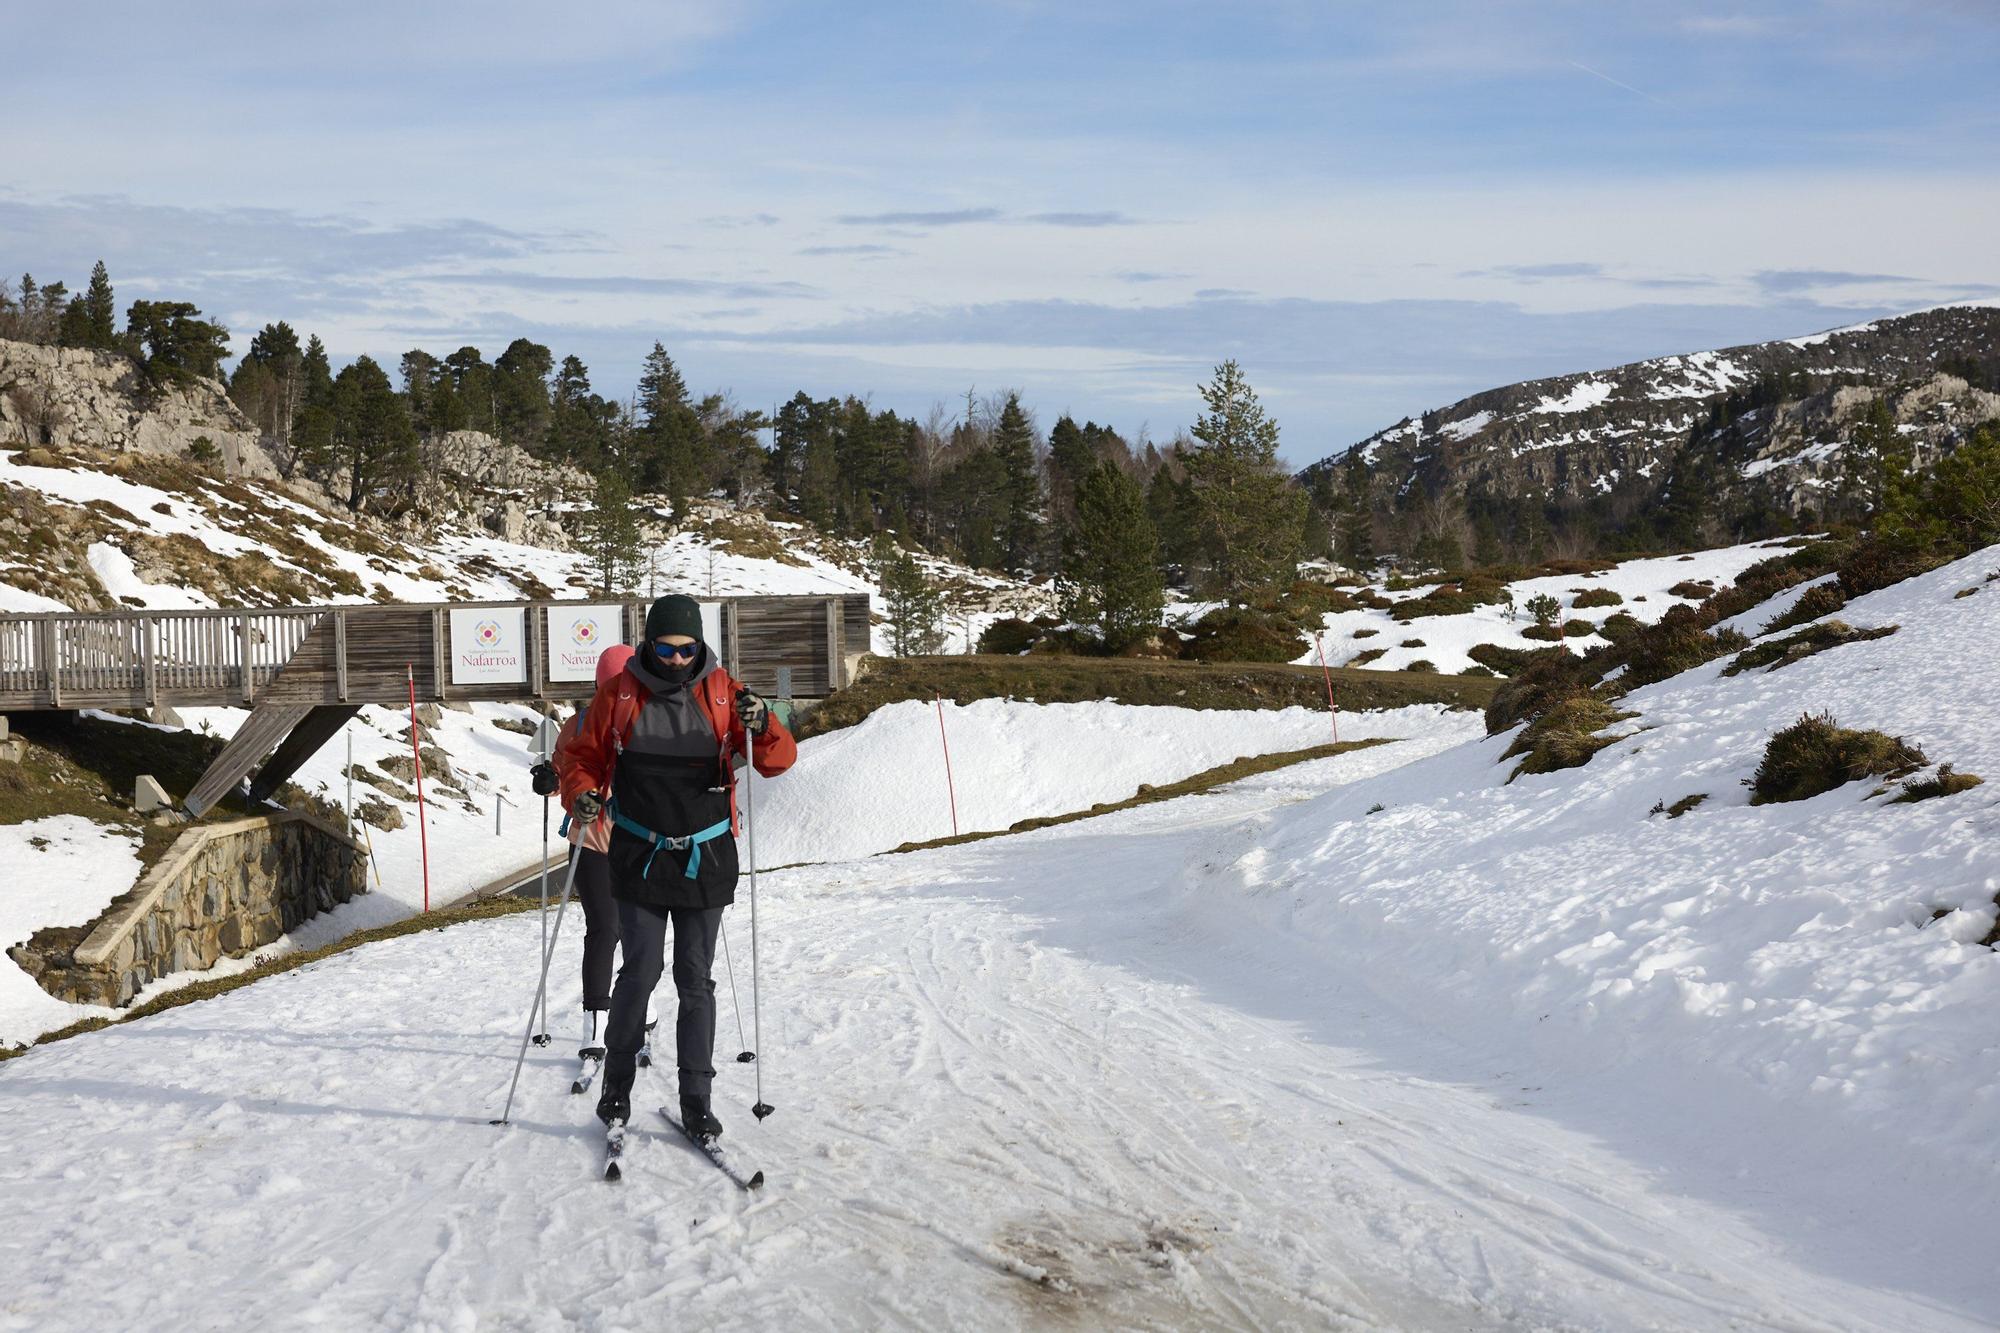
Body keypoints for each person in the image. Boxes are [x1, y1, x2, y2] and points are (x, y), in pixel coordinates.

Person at [555, 594, 796, 1143]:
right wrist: (583, 794)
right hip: (639, 853)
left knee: (696, 980)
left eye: (688, 649)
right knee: (639, 971)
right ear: (649, 642)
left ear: (700, 645)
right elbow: (581, 756)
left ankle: (697, 1101)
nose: (677, 659)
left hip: (705, 856)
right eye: (666, 648)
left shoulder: (726, 694)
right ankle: (615, 1091)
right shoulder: (619, 693)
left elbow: (776, 760)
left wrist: (766, 724)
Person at [530, 643, 643, 1068]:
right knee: (605, 927)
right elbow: (562, 774)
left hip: (640, 842)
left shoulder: (649, 723)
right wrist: (548, 780)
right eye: (611, 685)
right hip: (591, 842)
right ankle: (595, 1023)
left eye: (625, 684)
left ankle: (639, 1007)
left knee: (640, 930)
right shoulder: (577, 726)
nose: (618, 692)